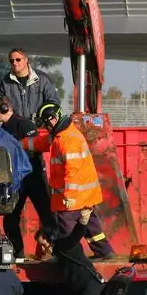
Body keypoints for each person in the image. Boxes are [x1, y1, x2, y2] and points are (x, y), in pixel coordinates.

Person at [30, 102, 114, 259]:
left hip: (72, 197)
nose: (46, 127)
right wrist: (19, 145)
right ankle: (104, 252)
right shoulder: (61, 135)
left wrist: (68, 196)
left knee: (67, 229)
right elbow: (40, 143)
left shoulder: (67, 140)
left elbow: (72, 171)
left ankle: (73, 257)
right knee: (90, 225)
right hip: (84, 194)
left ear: (53, 119)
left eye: (46, 123)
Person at [0, 95, 54, 257]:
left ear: (5, 108)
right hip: (17, 181)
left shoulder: (24, 124)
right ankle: (18, 255)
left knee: (47, 216)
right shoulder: (2, 130)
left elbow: (35, 148)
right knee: (10, 219)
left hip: (34, 178)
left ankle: (55, 251)